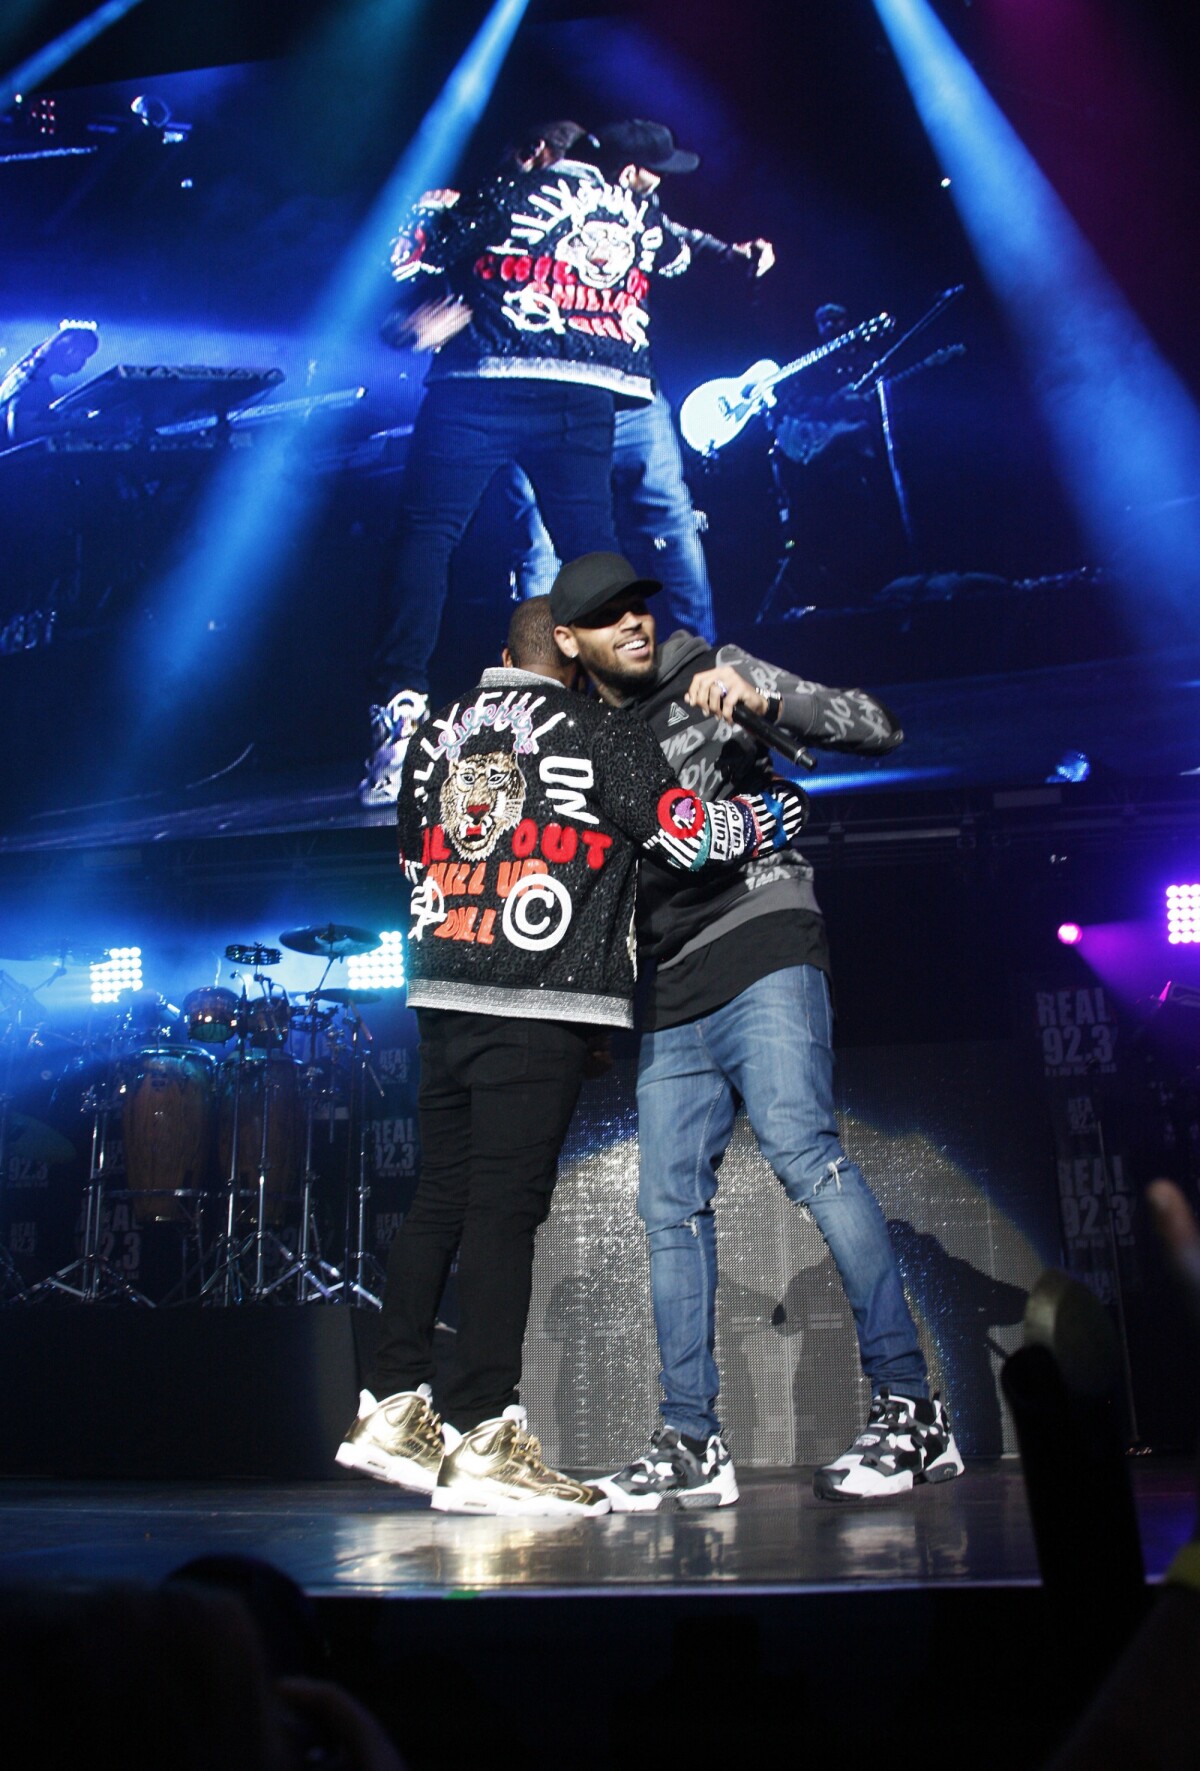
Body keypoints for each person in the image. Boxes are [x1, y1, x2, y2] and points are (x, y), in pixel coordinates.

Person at [337, 559, 807, 1515]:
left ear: (493, 661)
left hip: (442, 991)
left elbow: (406, 851)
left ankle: (391, 1404)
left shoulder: (433, 733)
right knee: (506, 1213)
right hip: (539, 1003)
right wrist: (771, 814)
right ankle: (485, 1434)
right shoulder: (597, 727)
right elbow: (685, 836)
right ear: (567, 652)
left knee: (439, 1199)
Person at [550, 558, 964, 1505]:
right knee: (667, 1209)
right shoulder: (580, 739)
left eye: (638, 606)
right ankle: (693, 1441)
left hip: (763, 931)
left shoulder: (714, 670)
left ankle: (912, 1406)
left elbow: (877, 725)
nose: (633, 624)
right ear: (570, 641)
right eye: (606, 617)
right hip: (670, 987)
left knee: (804, 1150)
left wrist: (766, 697)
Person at [360, 119, 708, 806]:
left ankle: (399, 721)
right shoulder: (631, 208)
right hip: (580, 394)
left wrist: (415, 318)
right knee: (594, 557)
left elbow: (419, 248)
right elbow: (675, 258)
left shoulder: (504, 193)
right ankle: (630, 721)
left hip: (481, 383)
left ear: (535, 151)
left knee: (427, 540)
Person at [503, 119, 776, 645]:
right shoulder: (526, 204)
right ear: (631, 171)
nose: (662, 181)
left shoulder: (638, 212)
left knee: (670, 523)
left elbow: (676, 238)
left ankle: (697, 666)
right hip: (547, 398)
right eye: (656, 172)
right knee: (541, 543)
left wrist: (731, 254)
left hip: (629, 395)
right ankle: (544, 689)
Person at [0, 319, 99, 445]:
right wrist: (74, 424)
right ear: (70, 351)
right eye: (83, 356)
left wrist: (63, 417)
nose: (83, 364)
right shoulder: (35, 383)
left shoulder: (27, 373)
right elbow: (21, 432)